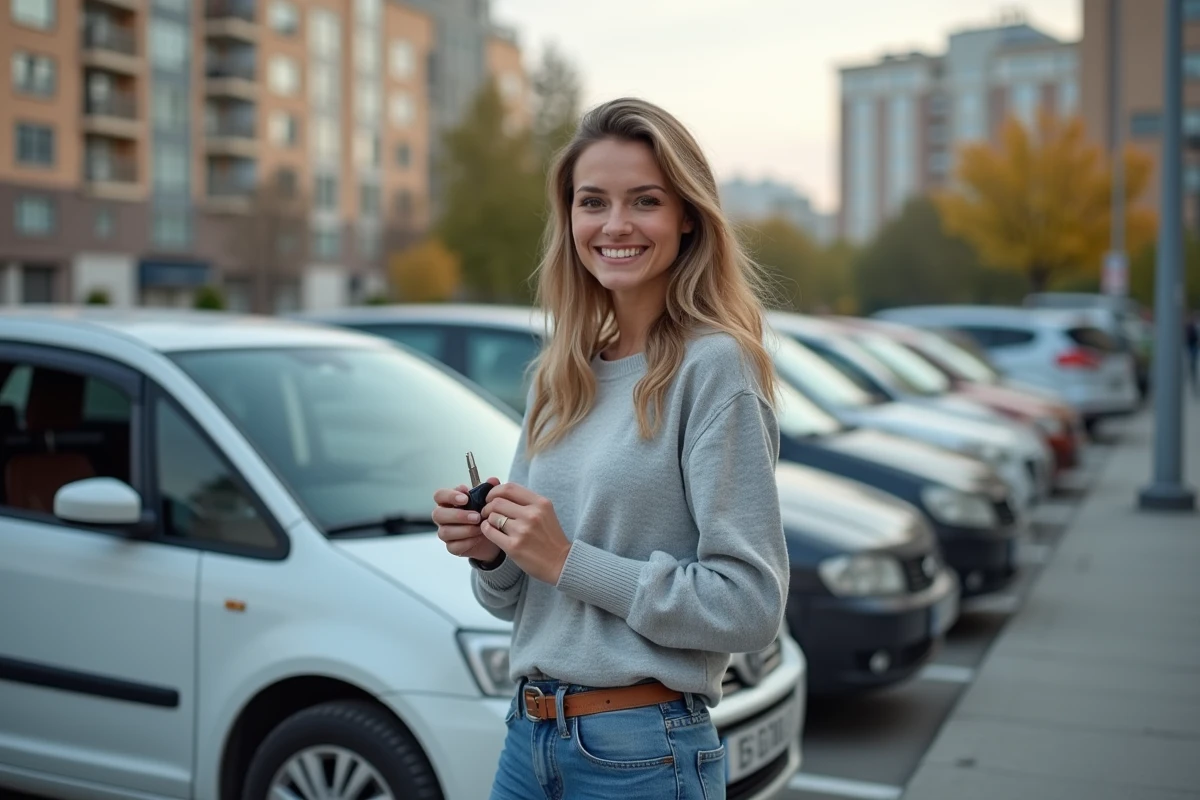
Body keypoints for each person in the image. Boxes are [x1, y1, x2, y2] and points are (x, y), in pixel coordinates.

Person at [431, 97, 789, 800]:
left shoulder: (714, 369)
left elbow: (751, 605)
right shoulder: (559, 373)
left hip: (642, 754)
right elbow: (518, 602)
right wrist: (493, 551)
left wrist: (567, 559)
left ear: (687, 215)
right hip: (527, 739)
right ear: (569, 219)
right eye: (592, 201)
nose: (615, 225)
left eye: (644, 201)